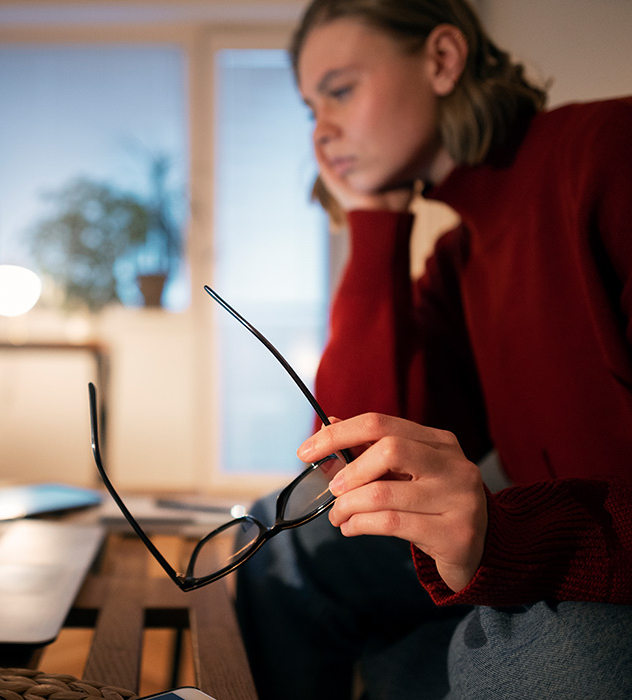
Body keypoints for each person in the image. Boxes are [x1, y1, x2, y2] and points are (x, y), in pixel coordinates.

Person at [233, 0, 632, 698]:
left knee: (537, 666)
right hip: (541, 537)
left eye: (339, 90)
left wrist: (509, 538)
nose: (321, 131)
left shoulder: (610, 152)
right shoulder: (460, 257)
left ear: (443, 60)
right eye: (310, 109)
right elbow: (353, 459)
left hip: (600, 555)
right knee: (276, 537)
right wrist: (373, 224)